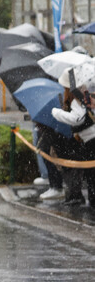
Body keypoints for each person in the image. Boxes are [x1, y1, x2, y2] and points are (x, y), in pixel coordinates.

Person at [51, 69, 95, 206]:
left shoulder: (78, 100)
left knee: (91, 173)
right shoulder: (86, 96)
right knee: (91, 173)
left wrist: (56, 113)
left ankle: (93, 202)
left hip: (91, 140)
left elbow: (77, 119)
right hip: (90, 140)